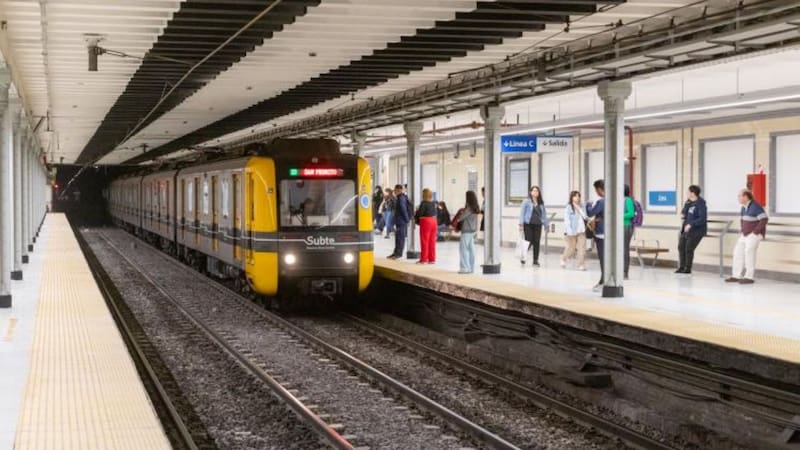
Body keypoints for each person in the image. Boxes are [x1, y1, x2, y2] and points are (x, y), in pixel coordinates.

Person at [726, 189, 768, 284]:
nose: (738, 198)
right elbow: (742, 220)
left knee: (749, 252)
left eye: (740, 196)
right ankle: (736, 275)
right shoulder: (743, 207)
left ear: (746, 197)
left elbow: (764, 219)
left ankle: (749, 277)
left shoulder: (755, 206)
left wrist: (756, 232)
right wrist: (743, 230)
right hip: (745, 234)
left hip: (754, 234)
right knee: (737, 252)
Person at [677, 185, 708, 274]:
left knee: (688, 248)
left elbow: (702, 218)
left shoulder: (701, 204)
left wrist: (691, 224)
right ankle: (681, 267)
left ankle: (687, 268)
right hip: (686, 230)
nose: (687, 193)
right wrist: (683, 213)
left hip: (696, 231)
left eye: (688, 192)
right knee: (681, 247)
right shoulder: (688, 202)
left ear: (693, 193)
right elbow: (684, 212)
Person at [519, 186, 548, 266]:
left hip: (538, 224)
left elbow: (544, 214)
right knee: (528, 240)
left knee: (537, 242)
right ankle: (523, 256)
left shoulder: (541, 202)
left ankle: (535, 260)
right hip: (528, 224)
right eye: (534, 191)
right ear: (530, 192)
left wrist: (546, 224)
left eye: (537, 191)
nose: (535, 192)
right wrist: (521, 224)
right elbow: (522, 213)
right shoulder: (526, 201)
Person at [586, 180, 606, 291]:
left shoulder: (601, 201)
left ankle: (603, 281)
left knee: (603, 258)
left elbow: (590, 213)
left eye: (596, 190)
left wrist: (588, 205)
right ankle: (604, 280)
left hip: (601, 232)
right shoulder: (615, 200)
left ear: (599, 189)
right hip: (612, 233)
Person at [454, 191, 480, 273]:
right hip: (472, 231)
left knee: (463, 249)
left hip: (466, 231)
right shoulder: (475, 207)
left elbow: (461, 218)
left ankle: (464, 268)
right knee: (471, 249)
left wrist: (458, 218)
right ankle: (471, 268)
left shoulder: (469, 208)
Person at [561, 191, 587, 271]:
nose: (577, 198)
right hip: (571, 231)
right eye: (575, 196)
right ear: (571, 197)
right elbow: (567, 220)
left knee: (581, 248)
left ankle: (581, 264)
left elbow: (585, 217)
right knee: (571, 248)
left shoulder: (582, 206)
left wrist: (579, 209)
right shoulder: (568, 207)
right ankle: (563, 258)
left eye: (578, 196)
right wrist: (569, 231)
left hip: (581, 230)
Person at [415, 188, 438, 264]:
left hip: (426, 222)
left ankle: (424, 259)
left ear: (424, 195)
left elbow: (420, 214)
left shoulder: (423, 203)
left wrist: (417, 210)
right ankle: (432, 259)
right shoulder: (433, 203)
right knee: (432, 241)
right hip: (434, 221)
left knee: (424, 241)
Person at [388, 184, 411, 260]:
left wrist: (407, 220)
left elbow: (403, 209)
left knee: (400, 238)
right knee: (398, 238)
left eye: (395, 190)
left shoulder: (401, 198)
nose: (394, 192)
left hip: (401, 221)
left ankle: (398, 254)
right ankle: (395, 253)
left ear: (399, 190)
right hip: (399, 221)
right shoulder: (400, 197)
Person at [623, 185, 636, 280]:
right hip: (619, 226)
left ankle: (625, 272)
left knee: (624, 249)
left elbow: (631, 213)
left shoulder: (628, 200)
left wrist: (619, 214)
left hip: (626, 226)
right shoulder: (620, 200)